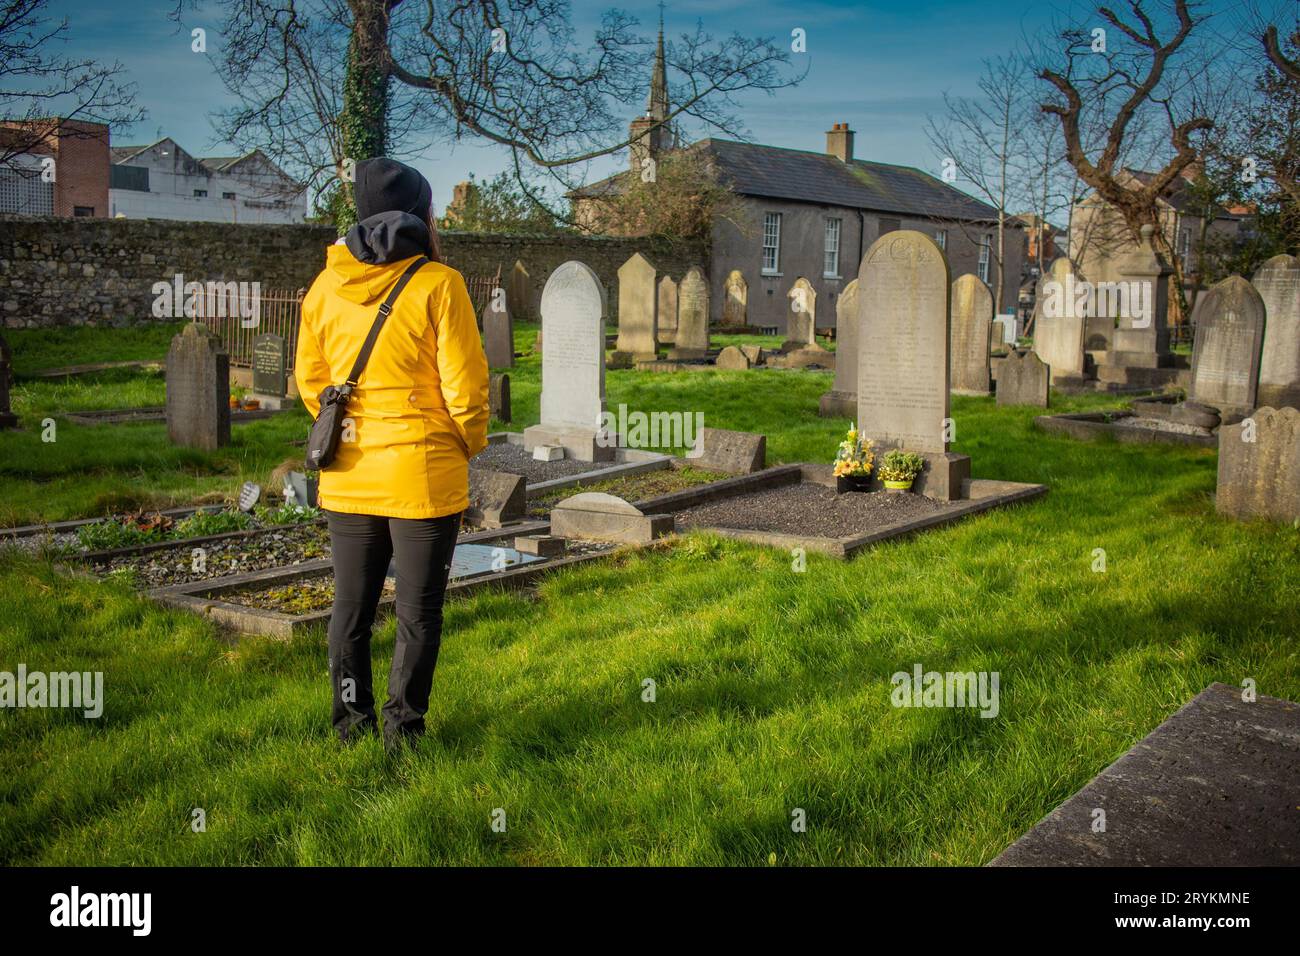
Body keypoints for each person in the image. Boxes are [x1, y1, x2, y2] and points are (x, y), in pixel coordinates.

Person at [295, 158, 489, 750]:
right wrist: (466, 443)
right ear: (423, 216)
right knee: (417, 612)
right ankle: (402, 732)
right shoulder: (440, 284)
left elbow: (311, 383)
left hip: (350, 475)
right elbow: (466, 390)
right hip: (421, 477)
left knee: (350, 612)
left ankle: (349, 728)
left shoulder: (324, 288)